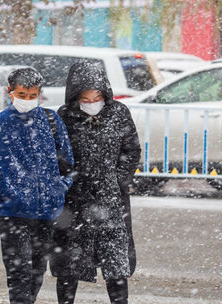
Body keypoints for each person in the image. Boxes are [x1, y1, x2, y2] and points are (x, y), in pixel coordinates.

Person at [0, 67, 74, 304]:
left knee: (37, 271)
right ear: (10, 92)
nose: (27, 100)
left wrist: (59, 187)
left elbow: (67, 163)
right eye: (22, 95)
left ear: (39, 94)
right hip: (12, 213)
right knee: (18, 272)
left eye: (32, 95)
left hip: (47, 211)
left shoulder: (51, 121)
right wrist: (3, 188)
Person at [51, 62, 142, 304]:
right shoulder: (65, 116)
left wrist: (120, 179)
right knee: (69, 261)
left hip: (111, 199)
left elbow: (132, 150)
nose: (92, 101)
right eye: (85, 96)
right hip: (75, 202)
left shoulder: (119, 113)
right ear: (75, 95)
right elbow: (58, 155)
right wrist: (69, 180)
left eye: (97, 95)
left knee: (116, 262)